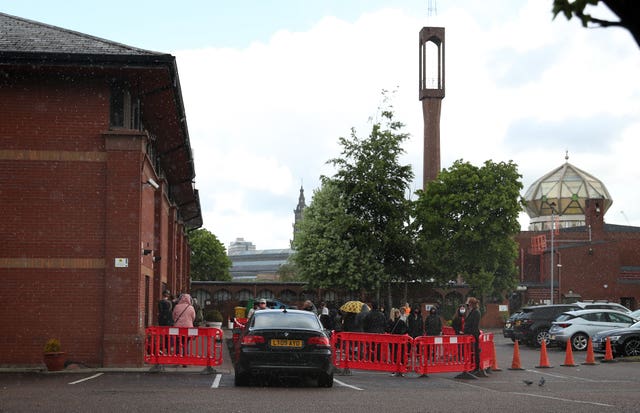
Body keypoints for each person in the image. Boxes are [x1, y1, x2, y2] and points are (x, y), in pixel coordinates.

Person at [172, 293, 196, 362]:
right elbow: (193, 318)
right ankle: (185, 359)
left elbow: (173, 316)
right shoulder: (191, 307)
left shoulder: (177, 306)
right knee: (186, 343)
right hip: (188, 329)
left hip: (178, 328)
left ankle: (177, 358)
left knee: (177, 343)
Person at [386, 308, 408, 377]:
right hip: (400, 340)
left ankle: (394, 369)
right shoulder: (401, 322)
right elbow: (406, 329)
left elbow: (387, 329)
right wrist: (401, 333)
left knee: (393, 355)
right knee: (401, 355)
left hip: (392, 340)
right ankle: (401, 370)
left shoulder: (390, 321)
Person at [463, 297, 482, 373]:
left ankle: (476, 367)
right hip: (470, 334)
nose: (467, 305)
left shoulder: (476, 312)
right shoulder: (472, 311)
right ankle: (472, 366)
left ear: (471, 304)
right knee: (471, 351)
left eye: (468, 303)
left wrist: (471, 334)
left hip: (473, 335)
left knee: (475, 351)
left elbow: (474, 325)